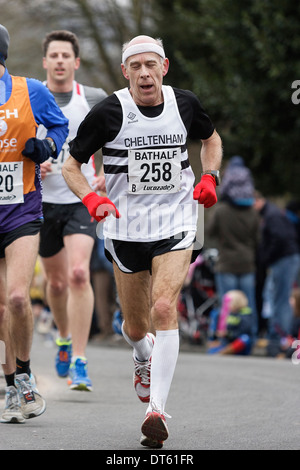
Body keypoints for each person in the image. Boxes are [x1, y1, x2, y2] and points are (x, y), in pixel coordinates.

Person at [62, 35, 222, 447]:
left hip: (176, 220)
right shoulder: (108, 112)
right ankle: (141, 355)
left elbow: (212, 139)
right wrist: (92, 197)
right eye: (136, 66)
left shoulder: (184, 103)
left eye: (152, 64)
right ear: (125, 71)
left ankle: (156, 411)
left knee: (164, 306)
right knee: (136, 326)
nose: (145, 73)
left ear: (164, 67)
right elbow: (71, 166)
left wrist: (209, 177)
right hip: (125, 227)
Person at [0, 24, 68, 423]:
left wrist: (47, 146)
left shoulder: (31, 91)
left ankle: (24, 376)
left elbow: (59, 126)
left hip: (22, 207)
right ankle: (10, 386)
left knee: (18, 299)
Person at [37, 30, 107, 391]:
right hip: (42, 203)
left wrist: (108, 176)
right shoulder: (30, 98)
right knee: (57, 282)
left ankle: (79, 359)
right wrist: (33, 165)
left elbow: (120, 135)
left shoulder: (93, 98)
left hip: (80, 199)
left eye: (67, 55)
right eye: (55, 55)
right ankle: (63, 337)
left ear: (76, 62)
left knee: (79, 274)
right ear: (45, 62)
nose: (61, 61)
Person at [206, 156, 260, 338]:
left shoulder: (221, 210)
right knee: (248, 303)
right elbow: (258, 238)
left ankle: (225, 335)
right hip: (247, 263)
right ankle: (249, 335)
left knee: (227, 302)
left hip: (226, 263)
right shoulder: (253, 212)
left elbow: (210, 232)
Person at [254, 191, 300, 356]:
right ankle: (279, 334)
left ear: (258, 200)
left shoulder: (271, 215)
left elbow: (279, 238)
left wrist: (266, 258)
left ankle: (280, 337)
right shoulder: (272, 213)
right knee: (278, 297)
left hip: (284, 259)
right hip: (285, 258)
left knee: (281, 298)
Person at [207, 289, 253, 355]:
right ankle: (223, 351)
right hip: (226, 343)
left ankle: (226, 351)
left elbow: (243, 331)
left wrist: (228, 334)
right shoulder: (224, 314)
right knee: (211, 351)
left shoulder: (245, 314)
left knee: (245, 338)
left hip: (239, 345)